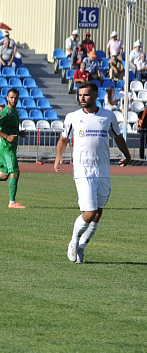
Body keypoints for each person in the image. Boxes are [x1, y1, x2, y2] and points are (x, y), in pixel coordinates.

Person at [55, 81, 132, 263]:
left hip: (103, 170)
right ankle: (73, 241)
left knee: (98, 213)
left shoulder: (108, 116)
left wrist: (127, 156)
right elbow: (63, 139)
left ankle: (82, 247)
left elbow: (118, 137)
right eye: (80, 95)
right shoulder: (72, 117)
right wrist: (58, 156)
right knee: (89, 212)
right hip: (83, 170)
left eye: (86, 95)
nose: (82, 98)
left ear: (96, 95)